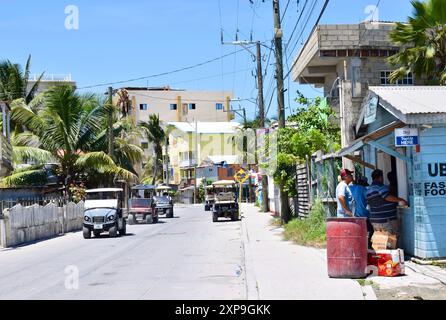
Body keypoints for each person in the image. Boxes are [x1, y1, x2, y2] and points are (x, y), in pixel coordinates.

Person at [366, 169, 408, 240]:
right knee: (391, 241)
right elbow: (387, 196)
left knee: (380, 242)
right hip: (386, 220)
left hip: (375, 220)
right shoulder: (380, 187)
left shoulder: (368, 190)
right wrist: (401, 200)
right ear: (380, 177)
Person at [350, 176, 373, 248]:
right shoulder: (364, 190)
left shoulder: (351, 188)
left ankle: (358, 246)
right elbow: (370, 200)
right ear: (364, 183)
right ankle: (368, 247)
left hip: (353, 215)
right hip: (363, 216)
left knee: (357, 233)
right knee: (370, 231)